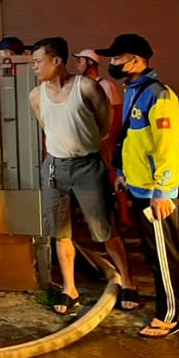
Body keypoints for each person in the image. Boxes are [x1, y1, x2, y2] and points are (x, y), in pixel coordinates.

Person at [28, 37, 137, 315]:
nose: (34, 67)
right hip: (54, 168)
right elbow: (45, 126)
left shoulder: (86, 88)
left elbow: (104, 124)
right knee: (60, 232)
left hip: (88, 166)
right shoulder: (36, 95)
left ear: (56, 61)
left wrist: (85, 145)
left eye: (38, 61)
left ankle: (128, 281)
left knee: (104, 228)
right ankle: (69, 288)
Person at [96, 34, 179, 338]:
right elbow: (132, 138)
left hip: (153, 191)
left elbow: (166, 149)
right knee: (159, 251)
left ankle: (169, 316)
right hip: (139, 186)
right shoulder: (136, 89)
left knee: (161, 254)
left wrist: (162, 192)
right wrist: (122, 172)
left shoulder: (158, 95)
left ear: (135, 60)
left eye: (117, 58)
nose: (112, 63)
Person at [74, 48, 133, 228]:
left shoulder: (107, 86)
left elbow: (118, 111)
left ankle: (123, 214)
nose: (77, 65)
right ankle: (93, 215)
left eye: (80, 61)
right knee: (89, 178)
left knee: (113, 175)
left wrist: (111, 138)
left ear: (90, 63)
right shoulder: (77, 84)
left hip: (104, 139)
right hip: (86, 141)